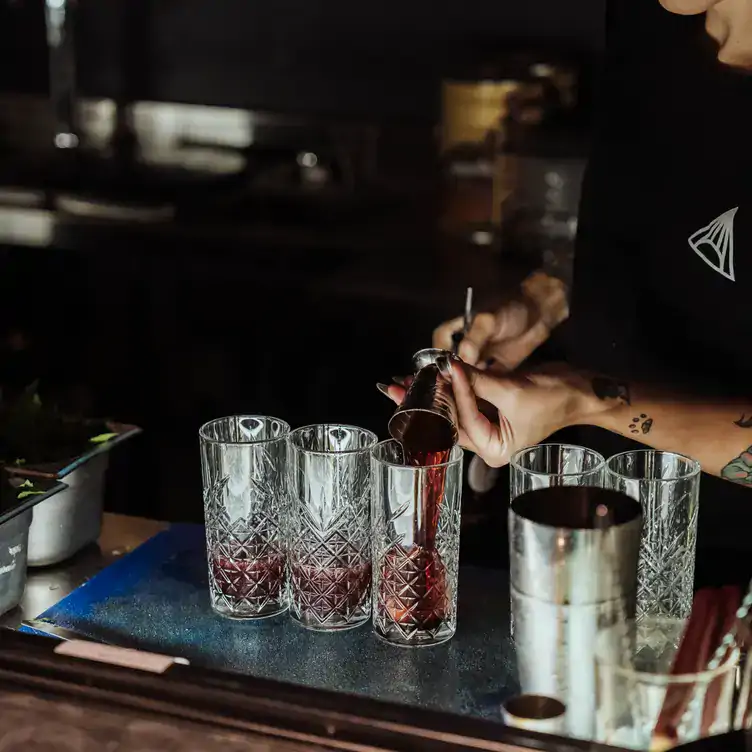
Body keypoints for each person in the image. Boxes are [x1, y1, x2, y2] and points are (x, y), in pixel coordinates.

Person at [380, 0, 752, 583]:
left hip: (725, 592)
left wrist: (592, 398)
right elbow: (657, 230)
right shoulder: (650, 20)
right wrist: (542, 304)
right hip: (576, 539)